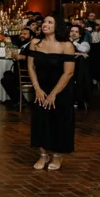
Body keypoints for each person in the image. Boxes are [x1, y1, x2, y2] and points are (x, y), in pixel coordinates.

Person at [27, 15, 77, 171]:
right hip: (39, 88)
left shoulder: (66, 45)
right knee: (40, 120)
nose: (45, 25)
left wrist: (53, 94)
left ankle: (56, 155)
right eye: (44, 22)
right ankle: (42, 154)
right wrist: (37, 88)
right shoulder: (35, 43)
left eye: (50, 22)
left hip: (60, 89)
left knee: (58, 121)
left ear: (58, 26)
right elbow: (30, 67)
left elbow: (68, 73)